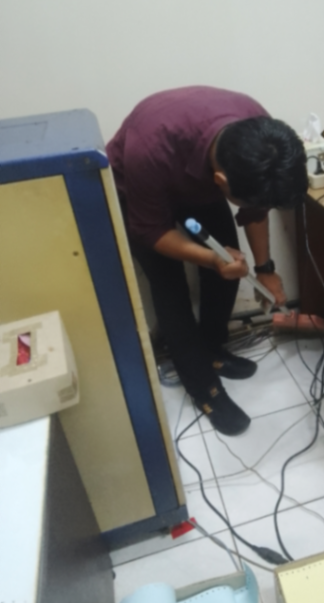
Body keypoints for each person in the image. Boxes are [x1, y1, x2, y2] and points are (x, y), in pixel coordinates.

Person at [106, 86, 308, 436]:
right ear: (221, 181)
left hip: (195, 175)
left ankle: (212, 349)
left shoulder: (261, 134)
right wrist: (211, 258)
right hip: (140, 190)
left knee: (228, 271)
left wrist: (265, 269)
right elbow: (150, 231)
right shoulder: (150, 146)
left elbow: (256, 209)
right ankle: (203, 387)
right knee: (170, 289)